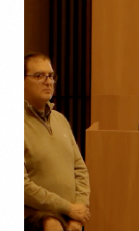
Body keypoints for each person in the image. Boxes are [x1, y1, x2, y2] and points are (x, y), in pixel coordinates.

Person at [24, 53, 91, 231]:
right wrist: (68, 208)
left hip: (69, 216)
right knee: (51, 224)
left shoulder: (60, 119)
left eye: (51, 76)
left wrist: (79, 211)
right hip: (35, 217)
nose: (48, 82)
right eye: (39, 76)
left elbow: (80, 169)